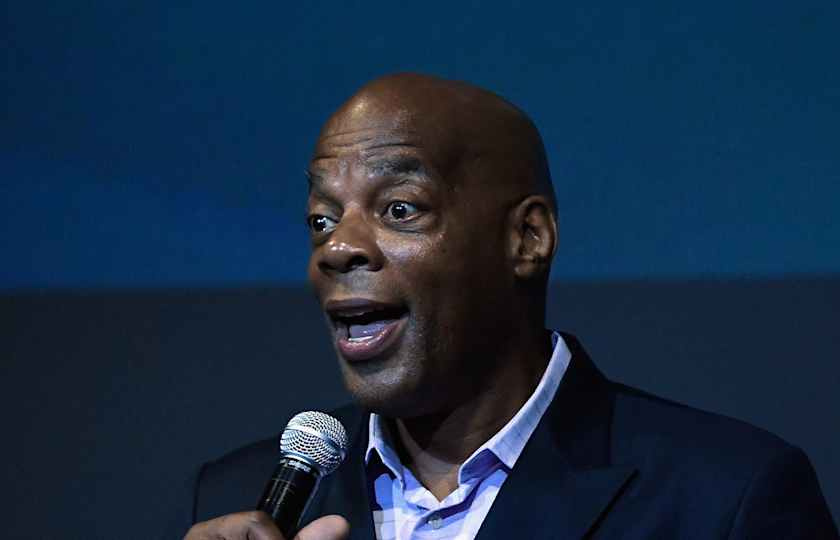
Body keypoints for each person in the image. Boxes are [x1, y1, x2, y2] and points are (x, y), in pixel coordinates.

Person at [182, 73, 838, 539]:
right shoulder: (238, 502)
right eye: (321, 220)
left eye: (400, 209)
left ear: (527, 239)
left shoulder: (725, 499)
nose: (338, 247)